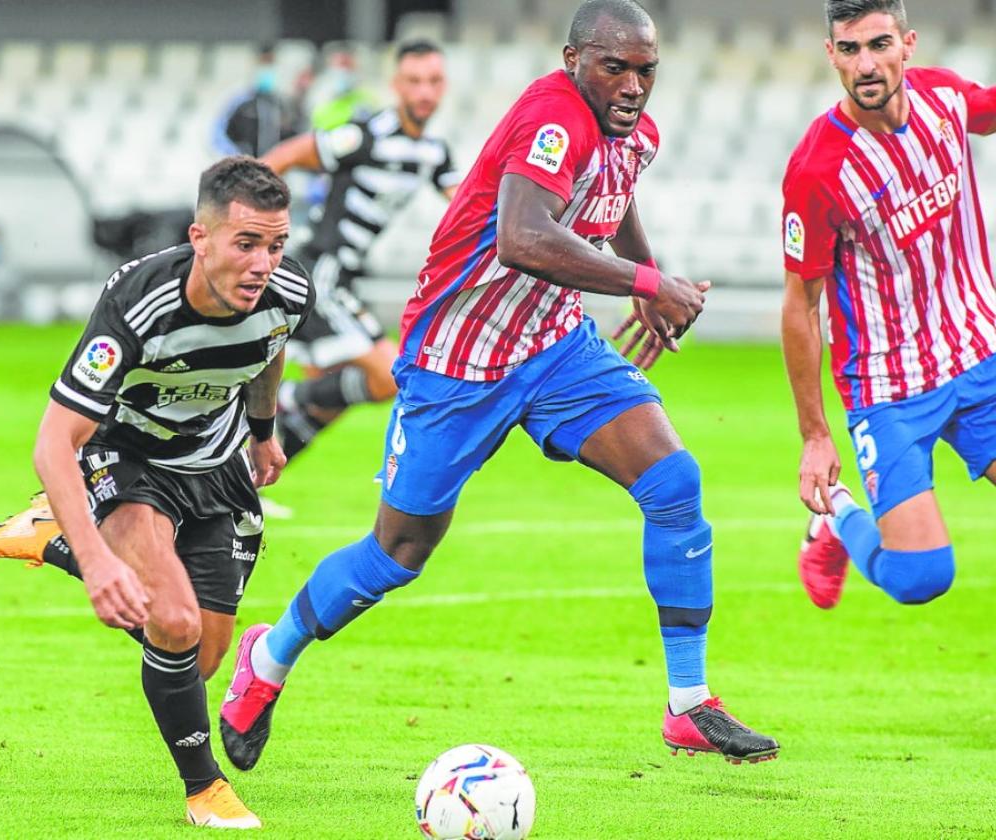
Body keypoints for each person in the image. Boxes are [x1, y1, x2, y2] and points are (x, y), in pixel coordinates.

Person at [218, 0, 779, 774]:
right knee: (398, 552)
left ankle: (688, 702)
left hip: (554, 348)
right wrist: (647, 279)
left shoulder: (631, 133)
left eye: (646, 70)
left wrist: (644, 280)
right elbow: (523, 237)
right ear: (572, 58)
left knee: (674, 481)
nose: (632, 85)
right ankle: (269, 656)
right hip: (458, 360)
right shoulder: (554, 117)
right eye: (614, 66)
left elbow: (611, 200)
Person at [0, 157, 314, 829]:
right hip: (124, 462)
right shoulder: (139, 301)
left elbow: (271, 345)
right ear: (199, 238)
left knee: (199, 658)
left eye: (275, 245)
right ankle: (203, 788)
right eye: (246, 243)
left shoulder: (289, 290)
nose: (263, 263)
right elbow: (52, 444)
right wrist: (100, 563)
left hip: (214, 468)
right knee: (174, 620)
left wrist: (264, 430)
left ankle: (49, 538)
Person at [781, 0, 996, 610]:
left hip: (979, 352)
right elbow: (801, 303)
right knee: (919, 579)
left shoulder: (946, 101)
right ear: (831, 56)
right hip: (889, 387)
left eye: (879, 45)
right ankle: (836, 520)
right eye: (849, 50)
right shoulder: (818, 170)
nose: (866, 64)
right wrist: (815, 435)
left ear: (908, 43)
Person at [262, 39, 460, 463]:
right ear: (396, 85)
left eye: (434, 81)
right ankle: (271, 400)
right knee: (392, 376)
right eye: (414, 81)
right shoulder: (365, 135)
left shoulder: (434, 152)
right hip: (322, 274)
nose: (424, 92)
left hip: (344, 277)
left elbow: (469, 206)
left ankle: (244, 485)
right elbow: (285, 155)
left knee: (329, 400)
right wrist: (255, 219)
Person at [211, 43, 302, 159]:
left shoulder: (281, 102)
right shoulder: (238, 100)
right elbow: (217, 135)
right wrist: (238, 158)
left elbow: (293, 136)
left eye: (270, 63)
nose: (267, 68)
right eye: (263, 63)